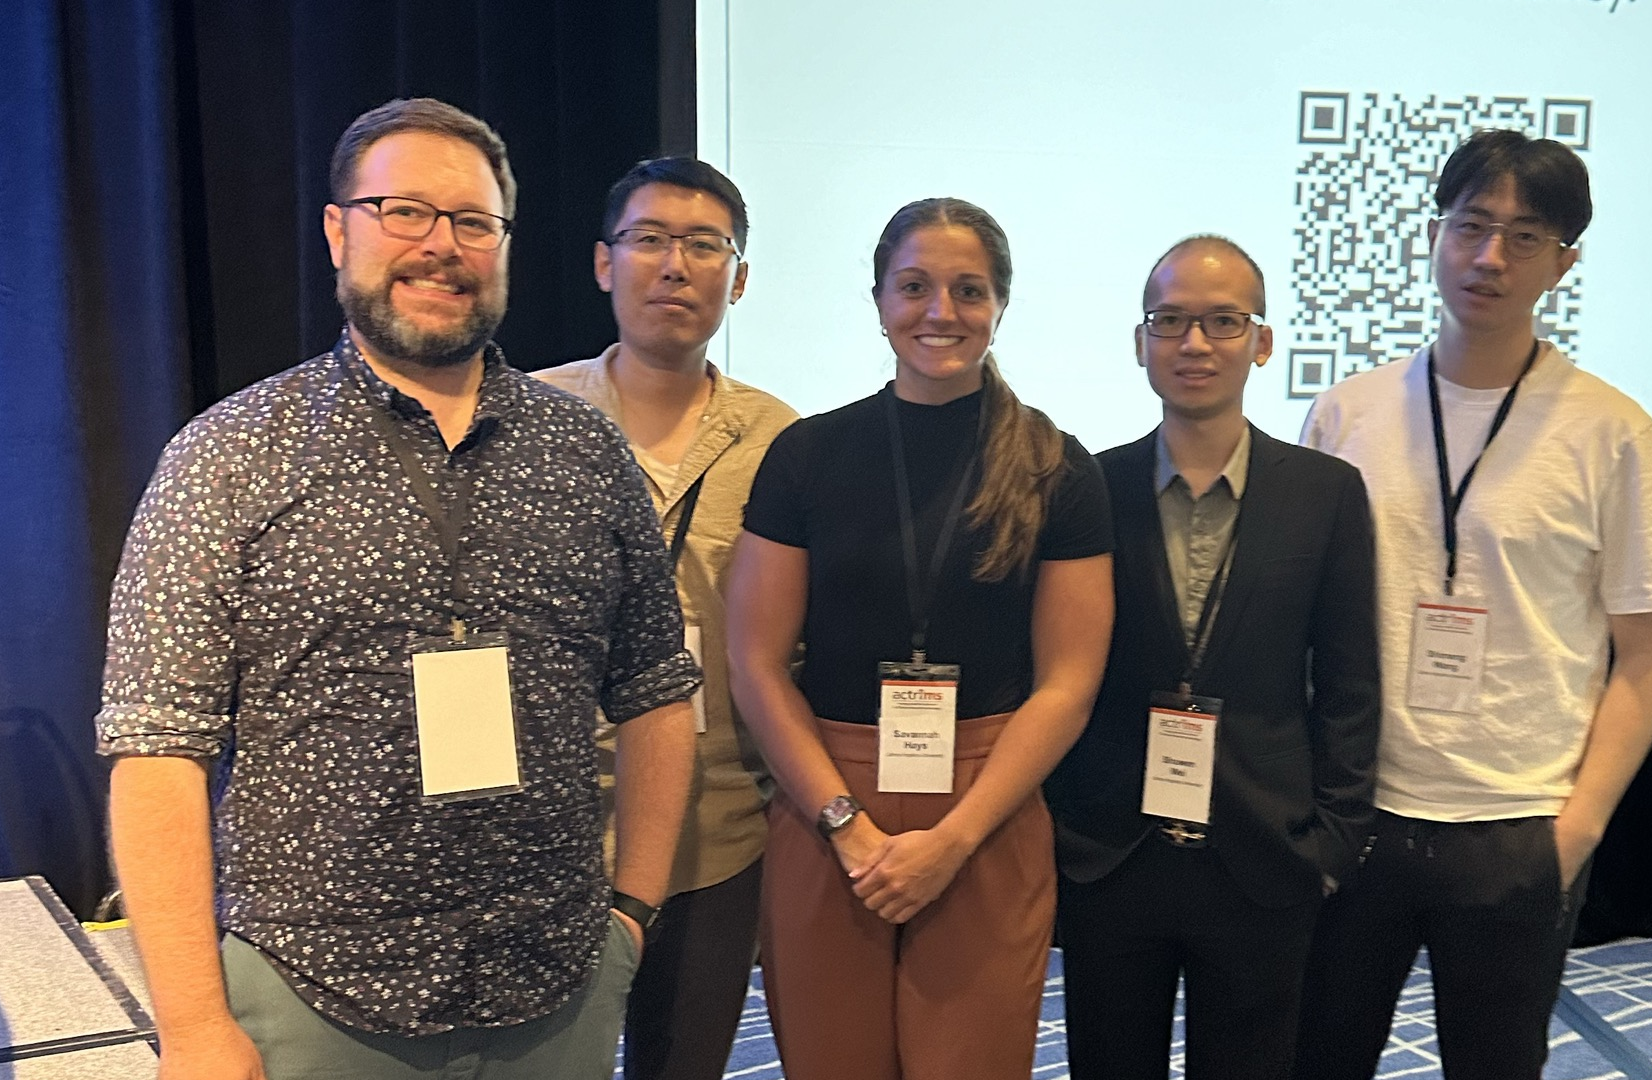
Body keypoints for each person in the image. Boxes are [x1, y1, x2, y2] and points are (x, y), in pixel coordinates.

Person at [96, 97, 699, 1080]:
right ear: (340, 230)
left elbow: (657, 692)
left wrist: (629, 916)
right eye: (403, 211)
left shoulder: (586, 454)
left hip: (554, 992)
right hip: (309, 1000)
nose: (441, 246)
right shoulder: (228, 459)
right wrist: (195, 1019)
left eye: (472, 222)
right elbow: (157, 748)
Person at [1296, 129, 1652, 1078]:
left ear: (1563, 263)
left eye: (1524, 238)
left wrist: (1580, 828)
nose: (1488, 257)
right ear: (1433, 235)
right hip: (1359, 812)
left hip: (1521, 821)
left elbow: (1651, 651)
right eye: (1471, 226)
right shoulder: (1344, 414)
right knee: (1316, 1056)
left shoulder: (1613, 431)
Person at [726, 197, 1115, 1080]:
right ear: (877, 300)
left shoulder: (1057, 465)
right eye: (915, 287)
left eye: (968, 290)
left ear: (999, 305)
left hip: (988, 803)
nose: (940, 312)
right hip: (826, 804)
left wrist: (954, 840)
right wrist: (845, 826)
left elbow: (1067, 683)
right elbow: (753, 661)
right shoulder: (807, 456)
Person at [1045, 236, 1380, 1080]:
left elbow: (1349, 683)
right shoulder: (1086, 484)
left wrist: (1334, 844)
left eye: (1223, 322)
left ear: (1261, 342)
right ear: (1141, 341)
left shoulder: (1326, 493)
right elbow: (1049, 663)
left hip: (1264, 852)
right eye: (1171, 321)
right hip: (1114, 853)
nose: (1195, 344)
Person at [535, 156, 796, 1080]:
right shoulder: (529, 420)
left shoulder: (782, 444)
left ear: (741, 276)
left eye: (703, 245)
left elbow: (792, 653)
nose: (675, 265)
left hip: (716, 835)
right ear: (605, 264)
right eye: (649, 240)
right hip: (548, 837)